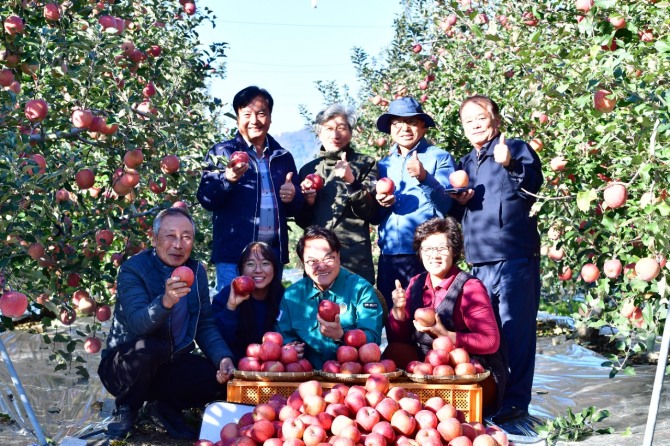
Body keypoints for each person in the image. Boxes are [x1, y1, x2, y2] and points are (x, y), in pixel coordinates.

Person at [98, 207, 235, 441]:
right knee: (149, 347)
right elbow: (138, 324)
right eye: (170, 236)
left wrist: (223, 357)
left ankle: (165, 408)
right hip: (124, 367)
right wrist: (165, 302)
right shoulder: (133, 269)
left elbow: (204, 324)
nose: (178, 244)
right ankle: (127, 409)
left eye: (186, 237)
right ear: (155, 239)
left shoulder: (196, 271)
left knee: (219, 377)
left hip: (168, 364)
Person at [450, 95, 543, 423]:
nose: (474, 124)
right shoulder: (464, 164)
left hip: (513, 257)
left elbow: (533, 186)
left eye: (480, 117)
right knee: (489, 334)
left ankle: (517, 402)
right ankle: (497, 397)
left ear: (496, 120)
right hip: (479, 262)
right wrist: (456, 199)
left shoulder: (515, 148)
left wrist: (510, 164)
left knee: (515, 331)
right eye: (468, 120)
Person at [385, 217, 507, 416]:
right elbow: (400, 340)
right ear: (420, 253)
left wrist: (448, 336)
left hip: (471, 371)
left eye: (442, 248)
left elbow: (491, 341)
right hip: (429, 367)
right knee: (394, 351)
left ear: (454, 251)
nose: (434, 255)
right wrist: (398, 312)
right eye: (428, 249)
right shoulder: (416, 283)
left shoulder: (469, 288)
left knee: (454, 399)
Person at [197, 86, 304, 292]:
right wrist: (227, 179)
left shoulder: (283, 157)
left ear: (270, 118)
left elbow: (297, 211)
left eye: (261, 113)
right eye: (247, 114)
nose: (254, 120)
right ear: (237, 118)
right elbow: (206, 199)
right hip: (233, 257)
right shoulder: (222, 152)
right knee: (231, 313)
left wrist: (293, 197)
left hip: (271, 257)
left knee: (269, 317)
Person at [372, 96, 457, 311]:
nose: (404, 128)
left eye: (411, 122)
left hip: (427, 254)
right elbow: (375, 215)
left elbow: (446, 205)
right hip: (390, 256)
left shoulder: (440, 158)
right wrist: (380, 203)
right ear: (390, 129)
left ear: (423, 126)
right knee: (394, 320)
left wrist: (424, 177)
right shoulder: (383, 165)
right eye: (397, 123)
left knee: (428, 321)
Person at [275, 226, 384, 369]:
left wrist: (342, 336)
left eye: (328, 258)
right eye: (312, 261)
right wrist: (291, 348)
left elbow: (373, 337)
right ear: (303, 263)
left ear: (338, 256)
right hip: (305, 376)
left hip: (351, 376)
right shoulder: (292, 296)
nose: (321, 266)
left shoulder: (361, 290)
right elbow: (281, 334)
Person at [296, 104, 378, 284]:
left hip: (354, 256)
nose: (335, 135)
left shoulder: (366, 163)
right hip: (317, 257)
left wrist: (351, 181)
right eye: (329, 129)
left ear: (350, 132)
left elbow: (370, 213)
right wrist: (308, 202)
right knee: (317, 309)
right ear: (319, 132)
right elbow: (302, 222)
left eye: (341, 128)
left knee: (357, 308)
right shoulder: (308, 170)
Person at [212, 241, 300, 362]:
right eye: (250, 264)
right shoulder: (227, 295)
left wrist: (292, 348)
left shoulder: (284, 298)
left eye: (265, 263)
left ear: (275, 268)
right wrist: (231, 307)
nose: (258, 270)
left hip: (276, 370)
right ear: (241, 269)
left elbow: (291, 335)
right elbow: (217, 341)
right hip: (235, 368)